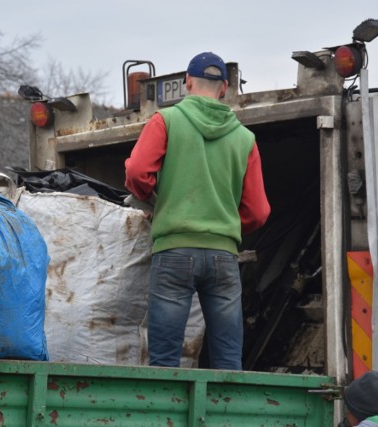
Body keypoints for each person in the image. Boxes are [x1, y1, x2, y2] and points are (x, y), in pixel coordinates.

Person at [124, 52, 271, 370]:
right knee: (228, 360)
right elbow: (258, 211)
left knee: (165, 360)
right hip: (223, 258)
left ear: (187, 83)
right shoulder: (245, 139)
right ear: (224, 88)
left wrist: (152, 198)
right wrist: (224, 224)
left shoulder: (166, 121)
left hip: (174, 251)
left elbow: (136, 172)